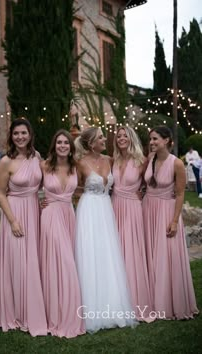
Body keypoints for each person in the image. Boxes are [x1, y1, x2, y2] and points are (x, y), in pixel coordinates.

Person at [0, 118, 47, 336]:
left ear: (30, 134)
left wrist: (46, 200)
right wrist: (13, 220)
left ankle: (34, 308)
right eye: (16, 133)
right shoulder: (6, 161)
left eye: (23, 133)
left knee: (33, 260)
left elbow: (46, 182)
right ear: (11, 136)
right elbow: (0, 193)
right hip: (15, 213)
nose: (20, 137)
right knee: (17, 262)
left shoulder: (37, 157)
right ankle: (16, 311)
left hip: (34, 211)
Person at [74, 126, 137, 333]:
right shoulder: (80, 163)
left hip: (106, 211)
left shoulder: (110, 160)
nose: (104, 139)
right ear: (91, 142)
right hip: (89, 210)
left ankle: (112, 305)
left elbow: (132, 170)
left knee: (107, 255)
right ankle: (90, 308)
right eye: (101, 137)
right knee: (90, 254)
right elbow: (73, 190)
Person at [143, 126, 199, 320]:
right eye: (150, 139)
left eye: (155, 139)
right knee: (151, 253)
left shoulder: (176, 164)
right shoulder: (149, 159)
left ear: (166, 140)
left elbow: (181, 193)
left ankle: (169, 302)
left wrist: (175, 221)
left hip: (166, 211)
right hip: (147, 210)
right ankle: (152, 297)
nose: (151, 142)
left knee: (166, 255)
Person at [40, 129, 85, 338]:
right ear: (54, 145)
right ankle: (57, 314)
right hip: (50, 216)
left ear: (70, 146)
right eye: (59, 143)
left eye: (66, 143)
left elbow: (91, 184)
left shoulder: (76, 167)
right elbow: (29, 188)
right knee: (61, 263)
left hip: (69, 215)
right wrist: (37, 203)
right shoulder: (44, 166)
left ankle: (67, 309)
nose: (62, 146)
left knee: (68, 261)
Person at [111, 126, 153, 322]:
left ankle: (136, 299)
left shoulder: (142, 161)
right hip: (114, 207)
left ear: (131, 138)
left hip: (132, 209)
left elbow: (152, 182)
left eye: (124, 135)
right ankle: (116, 298)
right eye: (118, 136)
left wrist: (143, 192)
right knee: (116, 250)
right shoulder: (113, 160)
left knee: (131, 251)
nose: (121, 138)